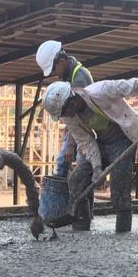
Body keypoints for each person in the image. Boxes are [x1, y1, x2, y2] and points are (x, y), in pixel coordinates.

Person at [42, 77, 138, 233]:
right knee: (76, 180)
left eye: (63, 112)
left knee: (120, 187)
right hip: (100, 143)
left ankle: (122, 233)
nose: (64, 116)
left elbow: (137, 84)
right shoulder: (68, 116)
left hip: (121, 140)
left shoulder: (101, 91)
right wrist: (97, 168)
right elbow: (86, 142)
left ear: (71, 102)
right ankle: (81, 226)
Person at [35, 40, 93, 178]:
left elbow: (76, 117)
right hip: (77, 129)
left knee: (66, 165)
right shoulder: (70, 75)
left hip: (84, 130)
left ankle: (64, 191)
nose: (54, 74)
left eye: (53, 70)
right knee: (64, 165)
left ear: (61, 61)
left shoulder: (79, 79)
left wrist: (70, 145)